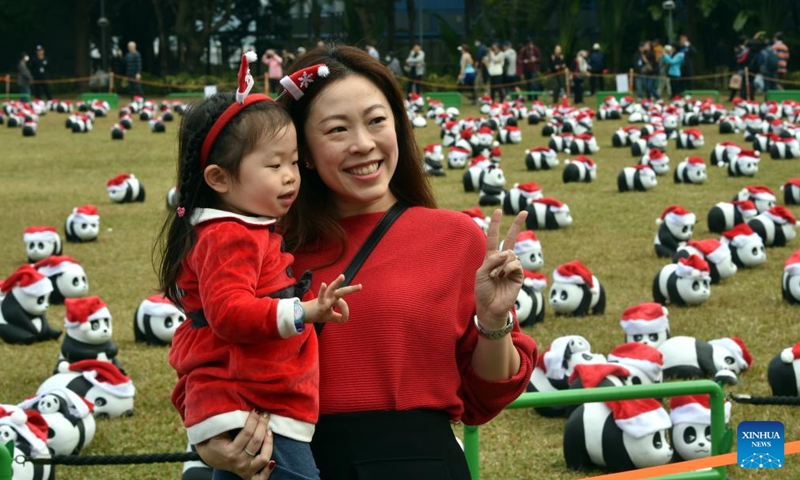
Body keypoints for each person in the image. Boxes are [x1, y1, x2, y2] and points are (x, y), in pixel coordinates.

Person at [196, 44, 537, 480]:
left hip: (415, 466)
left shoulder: (456, 237)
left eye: (377, 121)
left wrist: (492, 320)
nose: (363, 144)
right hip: (282, 465)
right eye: (337, 130)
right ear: (302, 151)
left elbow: (484, 399)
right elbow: (203, 355)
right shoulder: (258, 244)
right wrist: (211, 445)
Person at [157, 60, 363, 479]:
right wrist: (305, 311)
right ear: (219, 178)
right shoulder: (228, 236)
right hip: (253, 402)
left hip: (251, 399)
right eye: (274, 166)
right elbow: (229, 314)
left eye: (293, 162)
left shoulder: (246, 226)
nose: (290, 178)